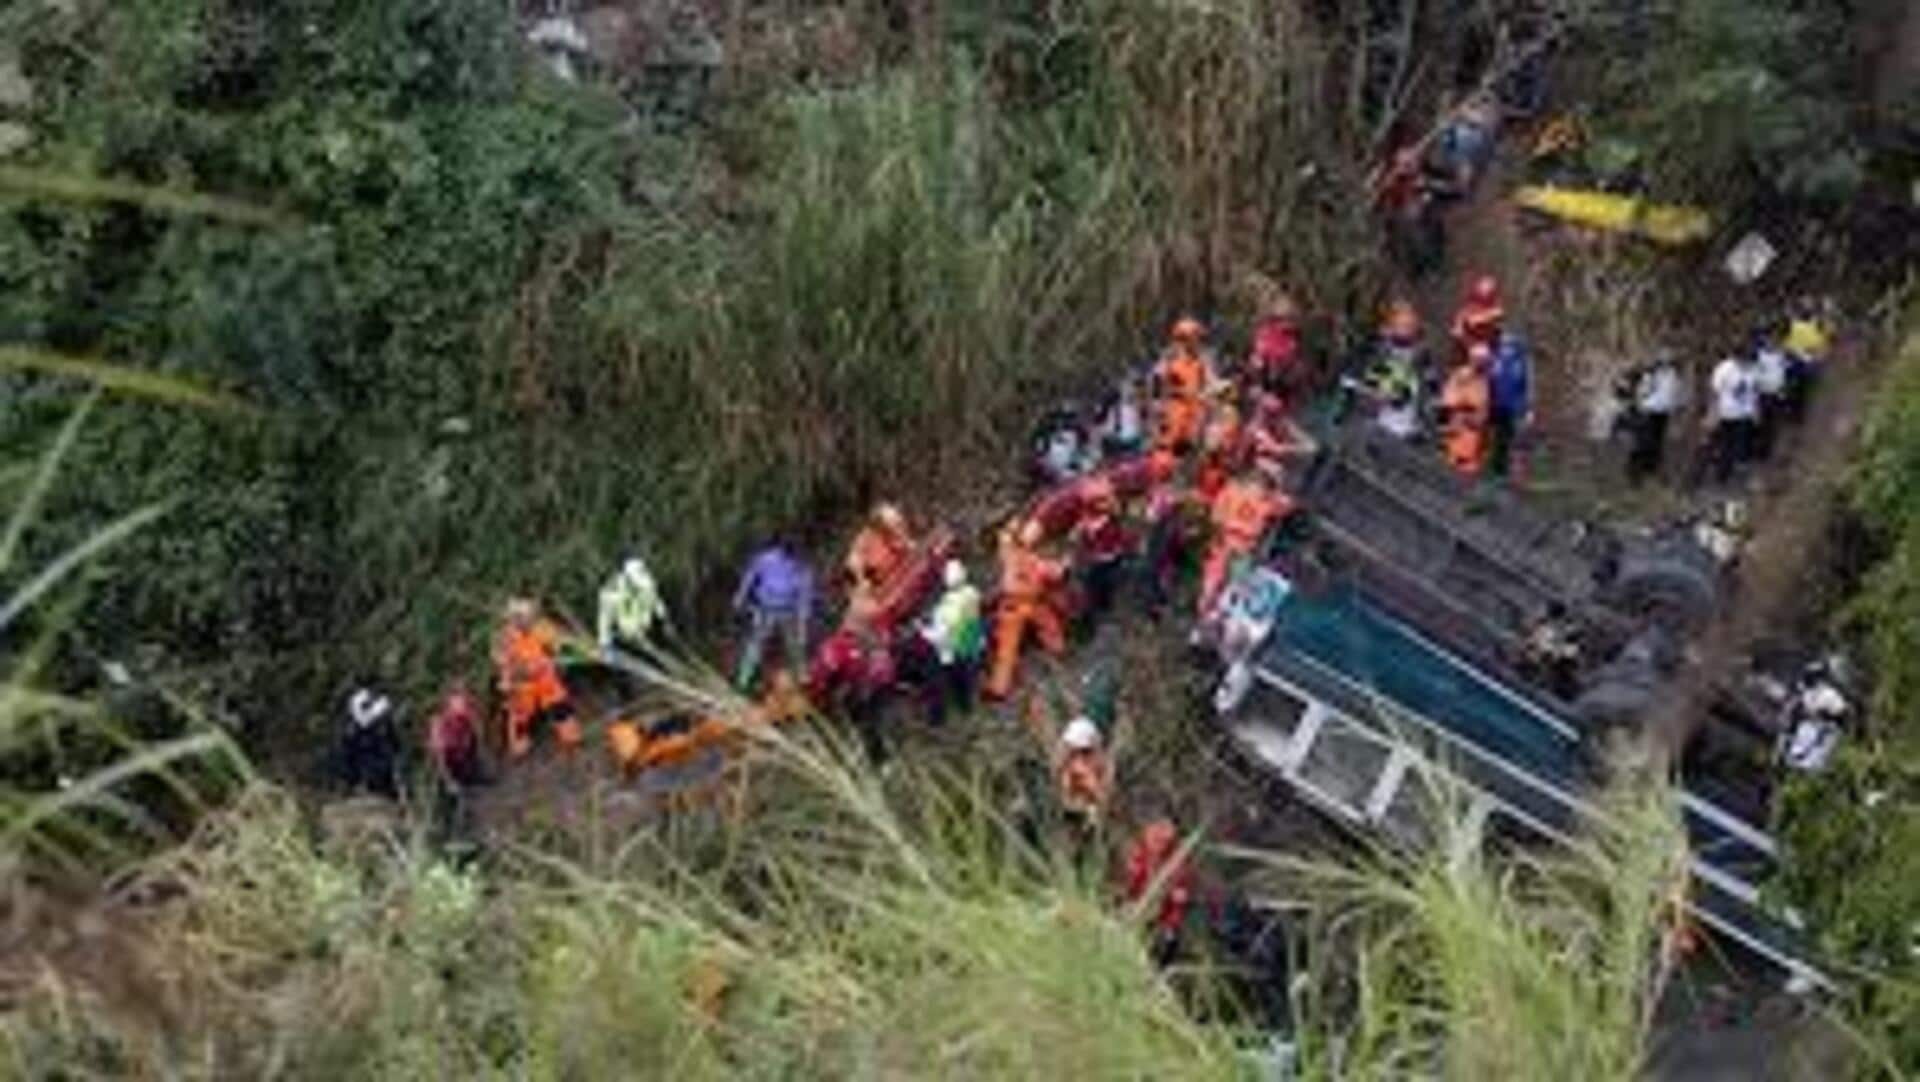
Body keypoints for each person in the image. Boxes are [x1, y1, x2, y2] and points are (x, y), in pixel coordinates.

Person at [986, 518, 1069, 700]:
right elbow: (1057, 573)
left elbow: (1004, 538)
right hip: (1032, 605)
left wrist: (1010, 528)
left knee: (1006, 651)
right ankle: (1058, 649)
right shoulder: (1037, 563)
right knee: (1049, 625)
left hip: (1010, 607)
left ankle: (998, 688)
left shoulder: (1009, 554)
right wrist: (1064, 563)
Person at [1199, 469, 1291, 620]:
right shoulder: (1267, 500)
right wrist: (1277, 487)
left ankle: (1205, 614)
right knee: (1233, 584)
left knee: (1214, 581)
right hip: (1244, 545)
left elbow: (1216, 516)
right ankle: (1214, 616)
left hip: (1226, 540)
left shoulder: (1233, 490)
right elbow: (1287, 506)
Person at [494, 598, 578, 759]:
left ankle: (571, 739)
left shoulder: (540, 627)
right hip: (522, 684)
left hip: (546, 679)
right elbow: (502, 662)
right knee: (521, 716)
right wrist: (517, 674)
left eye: (530, 616)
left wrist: (558, 647)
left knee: (560, 707)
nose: (529, 620)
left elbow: (557, 642)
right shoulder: (506, 638)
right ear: (515, 619)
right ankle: (519, 748)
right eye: (524, 617)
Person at [732, 535, 816, 691]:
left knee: (796, 645)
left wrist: (802, 624)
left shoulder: (802, 568)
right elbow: (750, 577)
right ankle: (743, 680)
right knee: (756, 643)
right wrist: (740, 597)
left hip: (788, 611)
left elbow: (805, 597)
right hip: (765, 608)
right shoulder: (767, 559)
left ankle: (803, 678)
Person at [918, 559, 984, 726]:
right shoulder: (972, 593)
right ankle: (966, 708)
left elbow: (940, 635)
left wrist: (922, 630)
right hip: (968, 644)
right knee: (963, 680)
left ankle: (937, 720)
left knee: (936, 685)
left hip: (948, 649)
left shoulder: (949, 607)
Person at [1122, 818, 1196, 966]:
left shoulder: (1178, 865)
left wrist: (1169, 924)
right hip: (1135, 910)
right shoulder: (1139, 854)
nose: (1160, 843)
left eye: (1165, 840)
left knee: (1167, 941)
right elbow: (1129, 882)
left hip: (1158, 920)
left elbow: (1179, 899)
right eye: (1158, 838)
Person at [1070, 475, 1135, 627]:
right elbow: (1081, 539)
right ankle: (1088, 618)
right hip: (1096, 561)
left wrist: (1126, 547)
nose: (1106, 504)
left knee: (1107, 586)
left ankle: (1102, 609)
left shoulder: (1112, 518)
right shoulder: (1088, 521)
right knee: (1092, 590)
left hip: (1111, 557)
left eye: (1106, 500)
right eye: (1101, 501)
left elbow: (1123, 536)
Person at [1154, 317, 1213, 454]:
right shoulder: (1169, 360)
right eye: (1195, 337)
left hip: (1195, 415)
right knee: (1169, 452)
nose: (1198, 342)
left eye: (1198, 338)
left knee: (1193, 452)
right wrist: (1159, 408)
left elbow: (1210, 384)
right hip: (1175, 413)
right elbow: (1157, 384)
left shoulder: (1201, 361)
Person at [597, 555, 667, 660]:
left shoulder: (647, 583)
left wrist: (663, 617)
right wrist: (605, 644)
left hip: (645, 631)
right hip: (622, 635)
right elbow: (604, 620)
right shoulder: (611, 592)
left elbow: (656, 600)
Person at [1625, 352, 1680, 484]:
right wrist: (1639, 407)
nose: (1666, 364)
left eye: (1668, 361)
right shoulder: (1651, 376)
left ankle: (1651, 469)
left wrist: (1674, 406)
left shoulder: (1672, 374)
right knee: (1644, 443)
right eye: (1664, 362)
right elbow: (1642, 393)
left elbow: (1673, 392)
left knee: (1657, 443)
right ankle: (1634, 472)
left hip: (1663, 413)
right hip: (1649, 411)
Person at [1707, 350, 1759, 484]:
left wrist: (1755, 411)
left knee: (1740, 445)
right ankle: (1721, 475)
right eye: (1744, 360)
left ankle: (1735, 474)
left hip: (1744, 414)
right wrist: (1713, 413)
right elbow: (1714, 391)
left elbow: (1753, 392)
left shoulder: (1752, 369)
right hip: (1726, 413)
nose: (1746, 363)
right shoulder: (1725, 369)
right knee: (1725, 445)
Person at [1440, 348, 1492, 478]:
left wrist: (1481, 417)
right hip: (1459, 424)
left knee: (1471, 463)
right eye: (1479, 360)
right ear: (1472, 359)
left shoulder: (1484, 379)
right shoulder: (1461, 376)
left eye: (1484, 361)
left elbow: (1484, 404)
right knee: (1455, 461)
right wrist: (1463, 414)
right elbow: (1449, 401)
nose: (1481, 363)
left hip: (1475, 430)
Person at [1054, 716, 1113, 830]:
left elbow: (1102, 789)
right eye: (1075, 751)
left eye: (1084, 751)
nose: (1080, 755)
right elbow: (1064, 783)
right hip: (1076, 805)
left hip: (1091, 804)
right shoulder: (1068, 764)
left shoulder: (1099, 761)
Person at [1486, 331, 1532, 480]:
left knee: (1509, 437)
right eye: (1506, 346)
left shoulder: (1521, 362)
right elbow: (1489, 381)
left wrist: (1527, 407)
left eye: (1510, 346)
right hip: (1497, 403)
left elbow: (1527, 385)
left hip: (1513, 406)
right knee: (1496, 436)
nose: (1507, 349)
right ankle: (1494, 467)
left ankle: (1505, 469)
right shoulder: (1496, 359)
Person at [339, 685, 400, 798]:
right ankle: (357, 783)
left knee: (379, 763)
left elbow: (389, 728)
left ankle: (376, 786)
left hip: (375, 742)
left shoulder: (382, 704)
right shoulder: (358, 701)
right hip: (363, 742)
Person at [1246, 296, 1305, 405]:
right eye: (1285, 320)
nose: (1289, 324)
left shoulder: (1291, 339)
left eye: (1291, 320)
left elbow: (1294, 362)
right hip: (1267, 382)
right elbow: (1258, 361)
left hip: (1283, 385)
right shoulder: (1265, 335)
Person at [1781, 298, 1832, 424]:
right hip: (1795, 359)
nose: (1806, 311)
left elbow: (1823, 342)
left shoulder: (1815, 324)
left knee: (1800, 390)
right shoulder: (1795, 324)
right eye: (1804, 309)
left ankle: (1796, 414)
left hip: (1805, 361)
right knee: (1795, 389)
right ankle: (1793, 412)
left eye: (1807, 309)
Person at [846, 503, 914, 592]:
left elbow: (909, 545)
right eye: (893, 521)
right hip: (882, 584)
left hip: (902, 573)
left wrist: (909, 546)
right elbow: (853, 560)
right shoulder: (867, 537)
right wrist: (862, 580)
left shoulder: (897, 530)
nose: (897, 524)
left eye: (897, 521)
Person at [1751, 326, 1789, 461]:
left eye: (1774, 340)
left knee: (1772, 424)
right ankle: (1757, 450)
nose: (1772, 342)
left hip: (1776, 394)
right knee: (1761, 423)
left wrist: (1783, 389)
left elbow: (1783, 373)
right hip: (1762, 394)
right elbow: (1753, 375)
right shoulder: (1758, 356)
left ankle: (1766, 451)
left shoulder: (1781, 355)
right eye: (1769, 340)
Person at [1451, 275, 1504, 353]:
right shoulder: (1466, 311)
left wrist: (1481, 320)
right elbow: (1457, 331)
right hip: (1471, 348)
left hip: (1490, 347)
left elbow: (1498, 314)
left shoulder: (1496, 311)